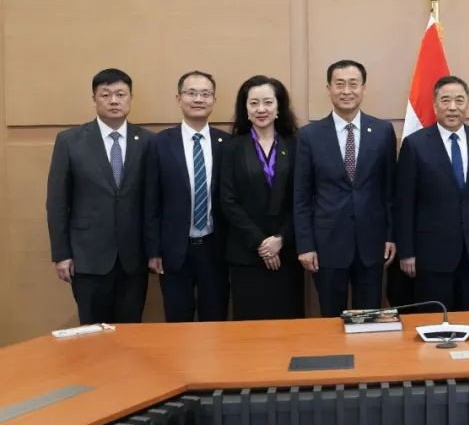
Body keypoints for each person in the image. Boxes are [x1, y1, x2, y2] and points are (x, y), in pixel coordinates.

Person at [46, 68, 153, 324]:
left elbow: (153, 202)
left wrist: (154, 250)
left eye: (120, 94)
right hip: (87, 257)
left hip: (134, 257)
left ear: (130, 98)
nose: (114, 101)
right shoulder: (70, 141)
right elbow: (57, 202)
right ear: (94, 98)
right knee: (92, 332)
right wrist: (61, 254)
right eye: (105, 95)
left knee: (130, 330)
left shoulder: (148, 141)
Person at [294, 60, 396, 316]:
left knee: (369, 318)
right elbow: (302, 196)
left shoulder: (383, 131)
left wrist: (390, 235)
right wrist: (305, 245)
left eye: (353, 84)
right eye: (339, 84)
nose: (346, 91)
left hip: (372, 244)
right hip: (327, 245)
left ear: (364, 88)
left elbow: (390, 191)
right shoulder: (309, 135)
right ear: (329, 88)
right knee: (331, 317)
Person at [395, 76, 469, 311]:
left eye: (459, 100)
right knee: (434, 321)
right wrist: (407, 252)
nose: (452, 107)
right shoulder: (415, 144)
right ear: (435, 106)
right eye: (445, 100)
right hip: (431, 256)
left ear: (467, 104)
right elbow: (404, 203)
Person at [144, 71, 230, 322]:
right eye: (191, 93)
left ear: (214, 100)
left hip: (215, 248)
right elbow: (150, 200)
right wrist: (153, 250)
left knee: (215, 318)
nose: (198, 99)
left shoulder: (227, 143)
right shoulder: (159, 143)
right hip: (173, 250)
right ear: (179, 98)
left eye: (205, 94)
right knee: (177, 320)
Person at [219, 75, 305, 320]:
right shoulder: (231, 148)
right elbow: (227, 200)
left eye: (268, 102)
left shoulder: (296, 146)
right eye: (254, 103)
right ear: (245, 109)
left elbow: (302, 199)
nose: (261, 109)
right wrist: (261, 243)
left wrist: (280, 239)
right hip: (246, 254)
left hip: (287, 253)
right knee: (250, 328)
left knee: (289, 324)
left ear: (279, 107)